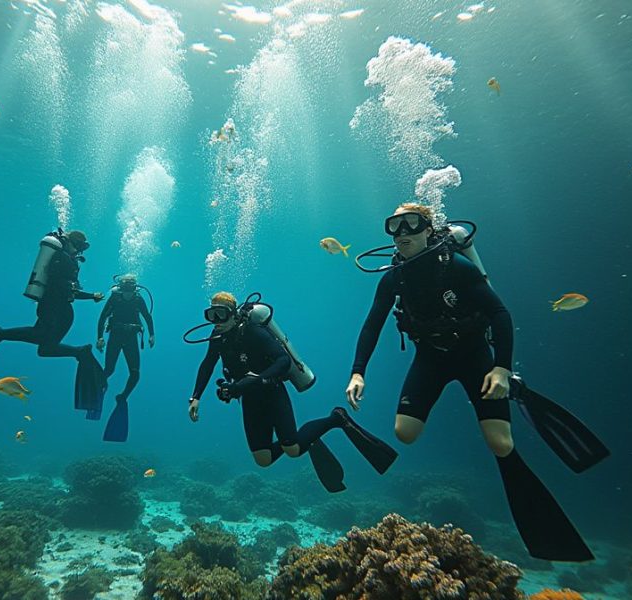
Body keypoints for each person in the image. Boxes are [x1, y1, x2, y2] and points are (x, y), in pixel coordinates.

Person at [345, 203, 595, 561]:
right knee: (405, 432)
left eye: (410, 224)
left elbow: (500, 313)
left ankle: (516, 390)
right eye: (394, 226)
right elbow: (372, 324)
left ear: (429, 230)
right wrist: (358, 371)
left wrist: (502, 369)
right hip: (430, 357)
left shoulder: (457, 268)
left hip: (474, 356)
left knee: (499, 443)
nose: (402, 233)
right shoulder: (393, 278)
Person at [187, 292, 398, 493]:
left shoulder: (252, 331)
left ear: (233, 313)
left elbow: (283, 360)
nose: (216, 320)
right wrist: (196, 397)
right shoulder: (217, 337)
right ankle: (304, 438)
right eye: (211, 314)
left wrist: (255, 380)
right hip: (250, 399)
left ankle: (336, 418)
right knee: (263, 460)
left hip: (272, 393)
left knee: (293, 450)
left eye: (220, 314)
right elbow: (207, 364)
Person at [0, 229, 108, 418]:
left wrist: (87, 295)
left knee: (44, 347)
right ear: (70, 243)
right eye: (78, 246)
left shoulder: (65, 258)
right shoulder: (64, 259)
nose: (79, 251)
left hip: (52, 307)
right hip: (57, 310)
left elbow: (65, 287)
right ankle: (0, 334)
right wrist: (87, 295)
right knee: (46, 346)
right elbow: (63, 287)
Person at [96, 274, 155, 441]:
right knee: (109, 369)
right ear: (121, 288)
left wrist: (152, 335)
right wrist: (100, 338)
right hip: (115, 335)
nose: (128, 292)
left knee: (135, 373)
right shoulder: (115, 298)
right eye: (126, 289)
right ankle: (98, 385)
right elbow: (102, 318)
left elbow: (147, 317)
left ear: (135, 288)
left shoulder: (138, 299)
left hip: (131, 338)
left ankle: (122, 396)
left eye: (131, 289)